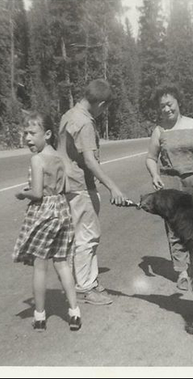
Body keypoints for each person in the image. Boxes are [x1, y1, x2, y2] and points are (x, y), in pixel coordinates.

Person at [58, 79, 127, 305]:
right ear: (102, 103)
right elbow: (90, 161)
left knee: (77, 236)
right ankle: (86, 288)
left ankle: (86, 280)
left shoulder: (68, 115)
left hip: (66, 184)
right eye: (105, 108)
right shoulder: (85, 123)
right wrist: (112, 186)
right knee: (88, 237)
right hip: (80, 186)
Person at [13, 112, 81, 332]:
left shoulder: (37, 159)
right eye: (25, 134)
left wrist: (23, 194)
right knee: (62, 263)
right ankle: (74, 313)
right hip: (62, 210)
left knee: (40, 266)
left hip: (44, 213)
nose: (28, 139)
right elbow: (68, 189)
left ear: (48, 134)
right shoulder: (58, 158)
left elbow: (37, 193)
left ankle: (40, 316)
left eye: (32, 133)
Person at [145, 83, 193, 291]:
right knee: (175, 228)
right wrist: (155, 174)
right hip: (171, 184)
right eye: (162, 106)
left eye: (169, 104)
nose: (166, 109)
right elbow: (150, 158)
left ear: (178, 102)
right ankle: (182, 271)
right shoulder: (159, 131)